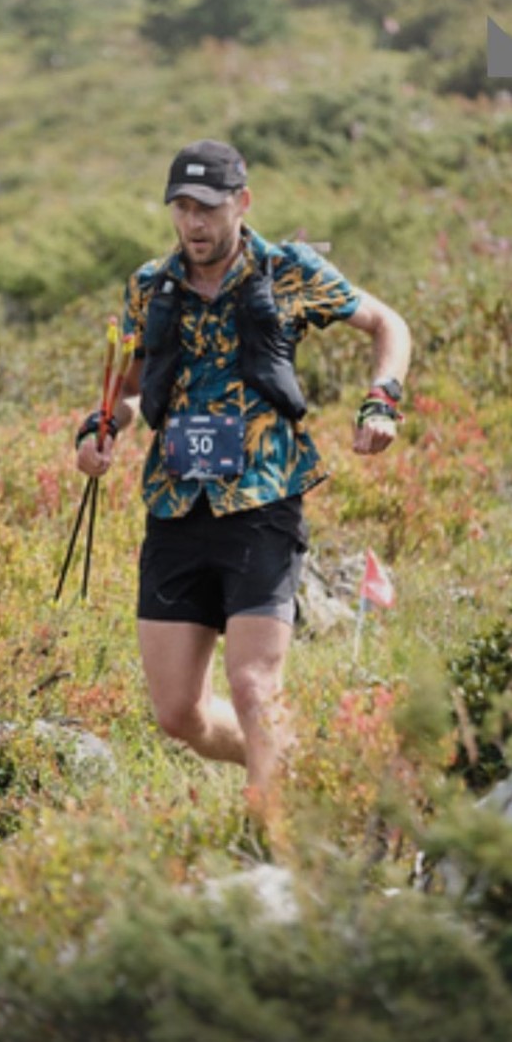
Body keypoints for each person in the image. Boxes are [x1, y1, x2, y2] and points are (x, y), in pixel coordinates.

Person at [75, 139, 411, 812]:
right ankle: (286, 762)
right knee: (179, 714)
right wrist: (102, 426)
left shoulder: (289, 270)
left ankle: (270, 836)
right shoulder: (150, 285)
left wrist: (383, 399)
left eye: (207, 207)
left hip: (263, 501)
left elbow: (387, 325)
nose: (193, 222)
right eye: (181, 207)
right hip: (174, 505)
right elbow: (133, 388)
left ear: (242, 202)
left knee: (255, 684)